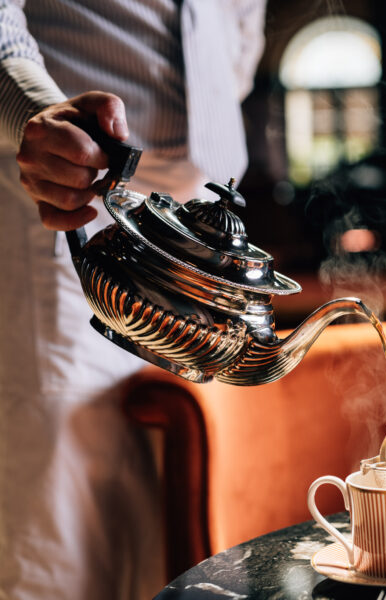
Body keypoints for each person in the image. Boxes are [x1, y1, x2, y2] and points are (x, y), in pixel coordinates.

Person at [0, 1, 266, 598]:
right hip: (69, 209)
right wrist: (34, 110)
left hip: (198, 240)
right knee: (66, 539)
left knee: (179, 539)